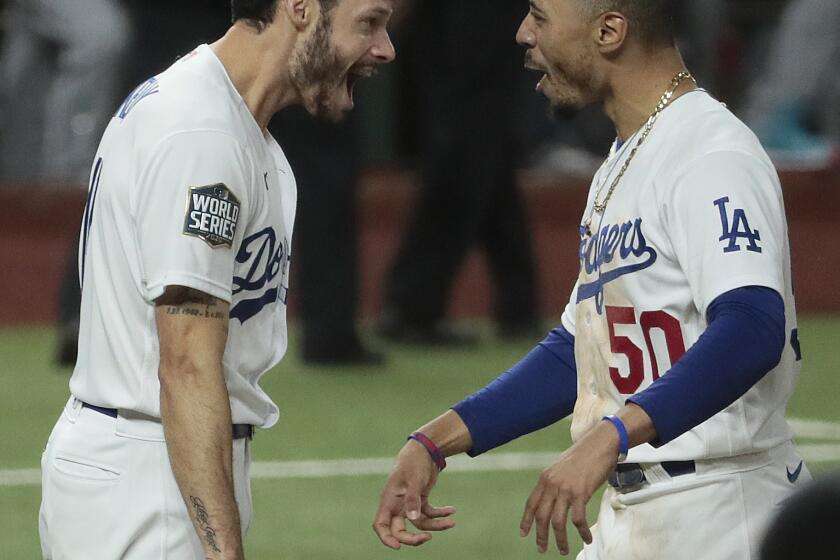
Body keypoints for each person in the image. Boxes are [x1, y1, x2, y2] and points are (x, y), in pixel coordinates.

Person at [372, 1, 808, 558]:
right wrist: (435, 441)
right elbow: (579, 352)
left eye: (540, 15)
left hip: (723, 512)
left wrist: (610, 437)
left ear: (609, 31)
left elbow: (752, 326)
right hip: (635, 515)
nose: (523, 33)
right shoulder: (625, 158)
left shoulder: (711, 154)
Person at [39, 1, 395, 559]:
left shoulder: (231, 124)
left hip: (159, 463)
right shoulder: (203, 132)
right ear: (300, 9)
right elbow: (187, 363)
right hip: (149, 477)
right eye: (369, 23)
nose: (385, 48)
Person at [375, 0, 541, 346]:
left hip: (468, 20)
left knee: (475, 147)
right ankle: (511, 304)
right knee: (476, 147)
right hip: (468, 22)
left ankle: (419, 304)